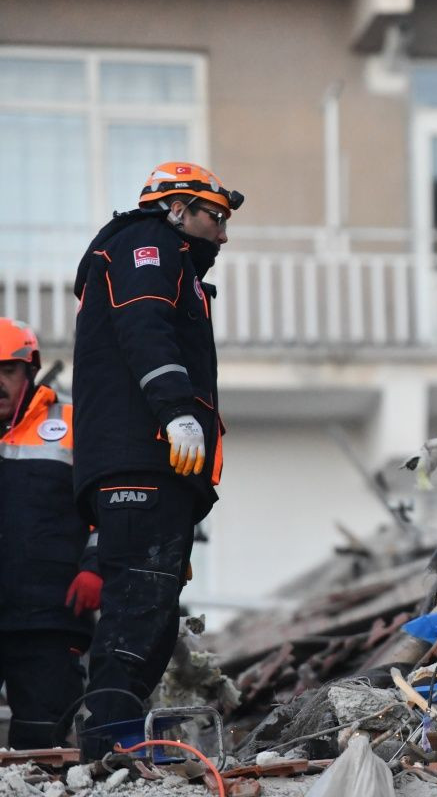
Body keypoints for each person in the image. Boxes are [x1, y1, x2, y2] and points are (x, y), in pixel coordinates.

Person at [71, 162, 242, 755]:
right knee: (137, 611)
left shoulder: (165, 257)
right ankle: (108, 746)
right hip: (141, 456)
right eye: (214, 216)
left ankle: (118, 746)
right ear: (175, 208)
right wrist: (174, 410)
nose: (223, 234)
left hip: (151, 465)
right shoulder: (148, 243)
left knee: (153, 616)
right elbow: (145, 327)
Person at [0, 319, 97, 748]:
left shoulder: (76, 424)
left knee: (43, 745)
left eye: (7, 371)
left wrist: (96, 566)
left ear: (30, 372)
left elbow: (109, 508)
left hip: (51, 617)